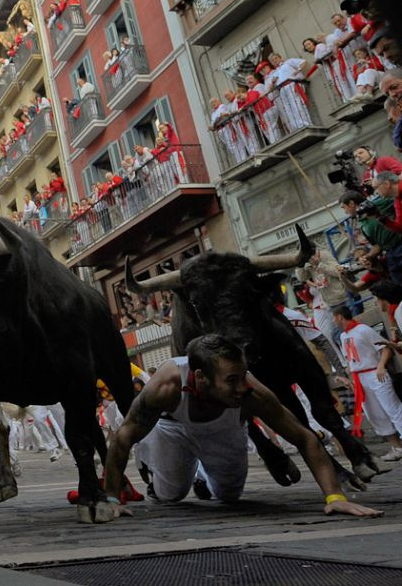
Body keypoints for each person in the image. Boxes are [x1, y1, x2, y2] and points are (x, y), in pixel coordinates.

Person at [101, 335, 382, 519]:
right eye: (232, 380)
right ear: (200, 378)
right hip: (173, 429)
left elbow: (304, 438)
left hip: (223, 431)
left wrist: (334, 496)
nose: (241, 387)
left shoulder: (251, 392)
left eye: (243, 375)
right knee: (170, 495)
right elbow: (123, 436)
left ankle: (203, 475)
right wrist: (112, 498)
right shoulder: (166, 385)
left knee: (228, 495)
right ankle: (169, 474)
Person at [332, 306, 402, 461]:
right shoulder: (343, 336)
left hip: (375, 373)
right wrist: (348, 379)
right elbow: (351, 361)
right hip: (360, 379)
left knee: (392, 408)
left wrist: (381, 365)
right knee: (375, 414)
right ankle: (397, 447)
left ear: (340, 317)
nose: (332, 321)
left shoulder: (363, 329)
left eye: (333, 317)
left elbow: (385, 348)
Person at [340, 188, 402, 282]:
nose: (345, 211)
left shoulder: (377, 204)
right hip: (391, 254)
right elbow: (377, 246)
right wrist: (367, 257)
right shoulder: (362, 225)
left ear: (351, 203)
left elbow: (397, 198)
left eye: (344, 207)